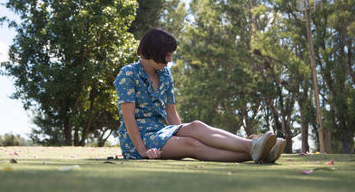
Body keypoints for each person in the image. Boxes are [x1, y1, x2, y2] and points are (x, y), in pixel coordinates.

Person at [114, 28, 286, 163]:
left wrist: (180, 133)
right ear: (152, 50)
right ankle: (257, 152)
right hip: (139, 140)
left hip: (161, 132)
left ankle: (254, 146)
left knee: (196, 126)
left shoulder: (165, 75)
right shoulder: (128, 74)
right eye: (167, 55)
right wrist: (143, 150)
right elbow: (128, 117)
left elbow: (171, 113)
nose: (170, 60)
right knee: (192, 145)